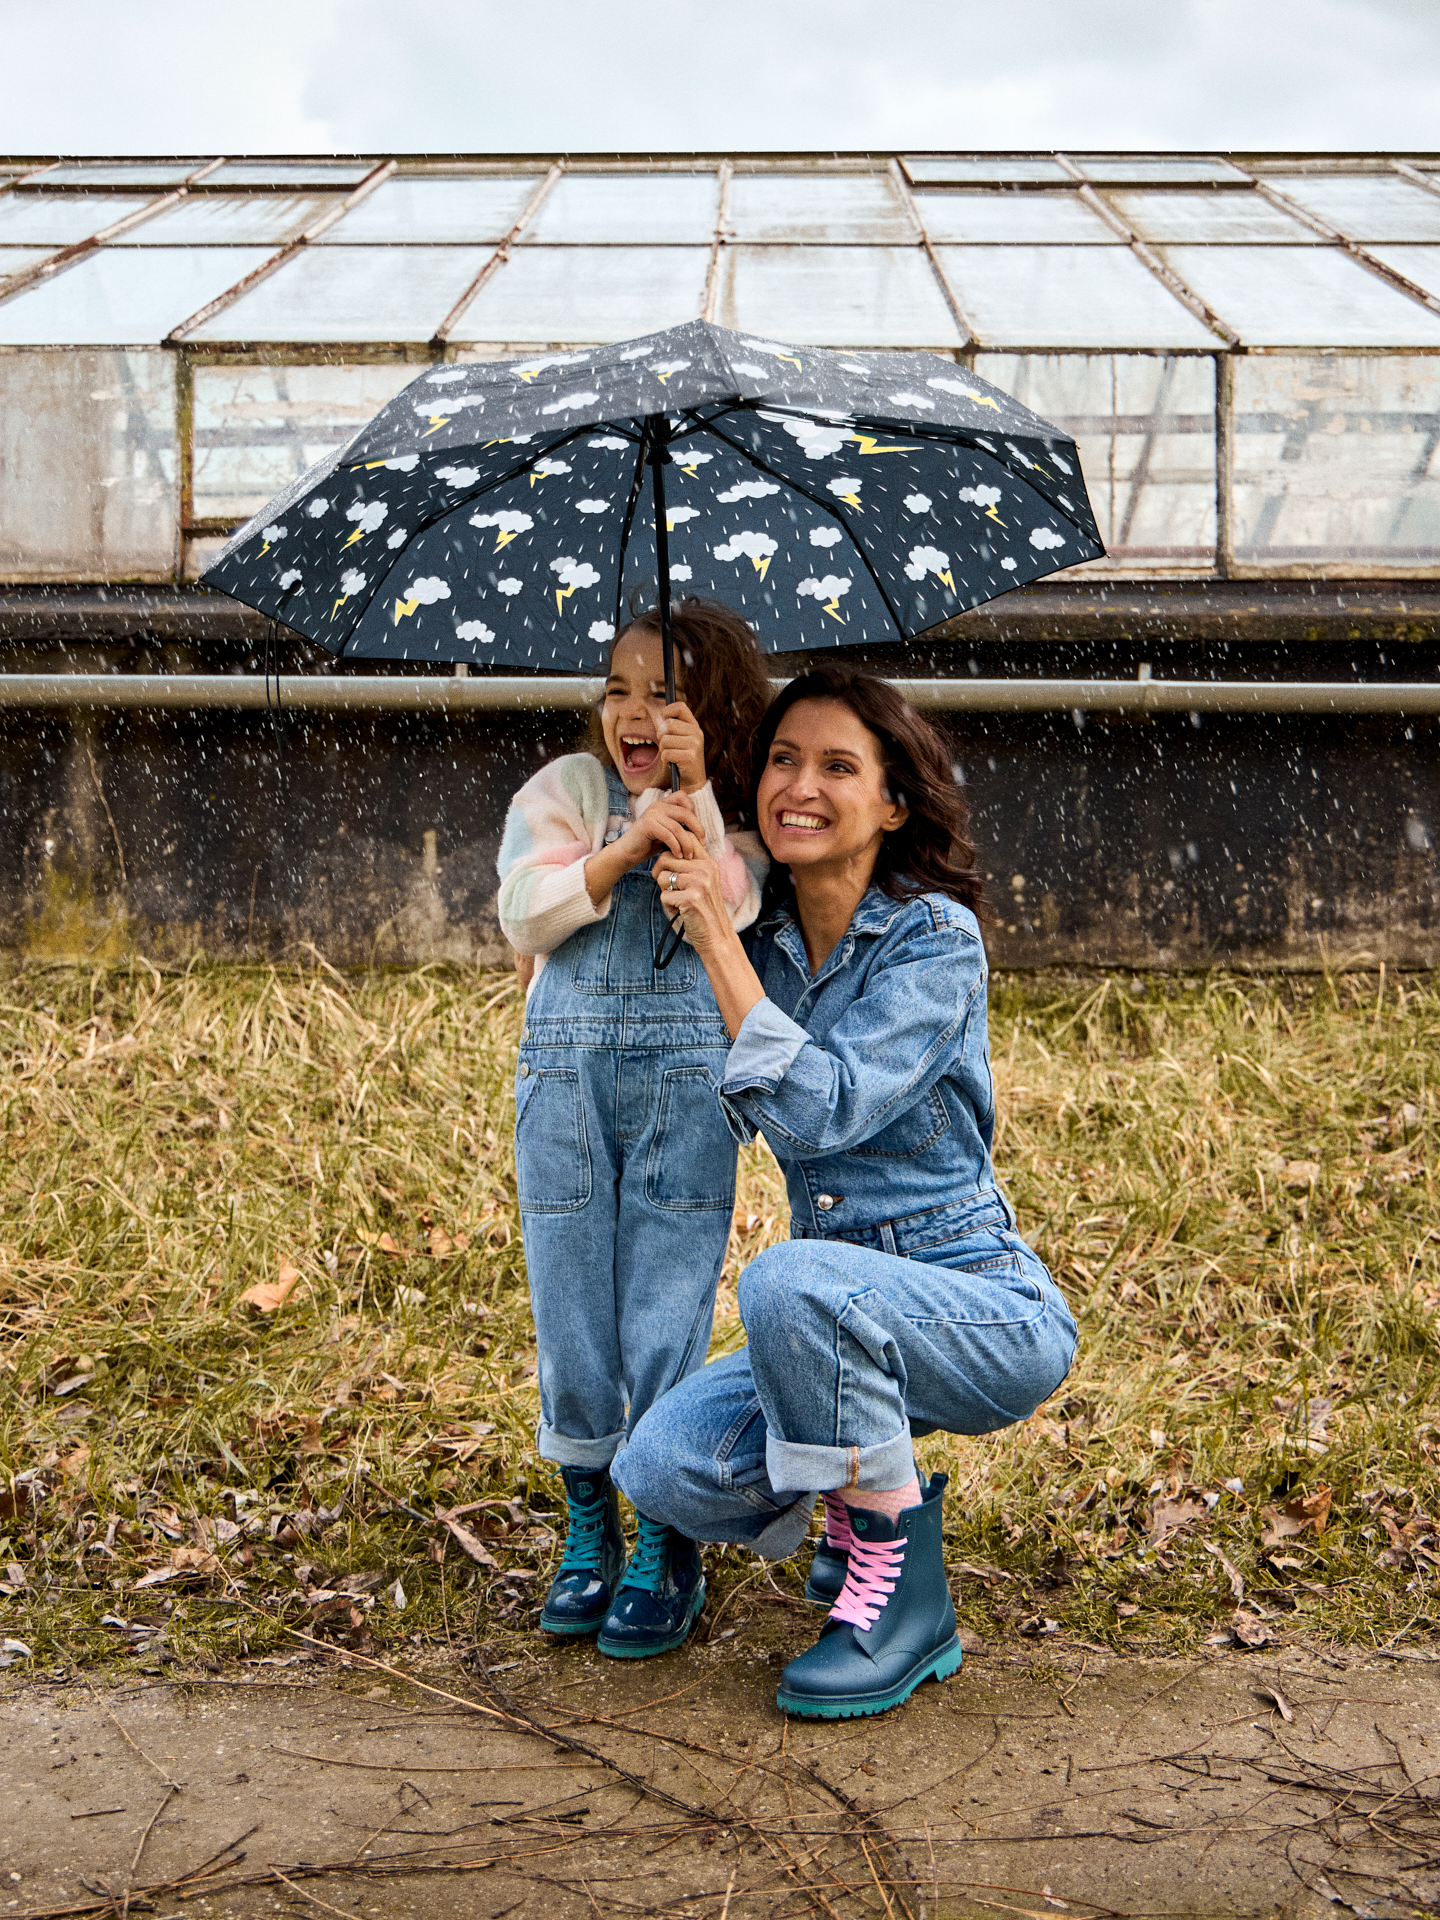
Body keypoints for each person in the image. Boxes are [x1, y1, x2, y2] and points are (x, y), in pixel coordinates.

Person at [613, 664, 1078, 1716]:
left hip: (976, 1302)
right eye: (782, 760)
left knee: (788, 1281)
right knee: (666, 1464)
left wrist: (719, 950)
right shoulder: (762, 934)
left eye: (836, 766)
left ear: (894, 800)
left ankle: (904, 1611)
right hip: (826, 1318)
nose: (799, 787)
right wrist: (681, 851)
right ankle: (887, 1502)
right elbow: (702, 1112)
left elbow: (822, 1109)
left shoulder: (933, 941)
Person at [497, 599, 771, 1656]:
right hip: (564, 1082)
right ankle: (586, 1514)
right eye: (619, 687)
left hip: (684, 1082)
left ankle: (662, 1524)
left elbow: (735, 910)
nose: (635, 711)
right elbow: (526, 910)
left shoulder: (729, 810)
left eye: (665, 691)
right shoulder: (565, 792)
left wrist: (692, 801)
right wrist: (617, 853)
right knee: (570, 1292)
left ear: (711, 712)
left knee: (665, 1297)